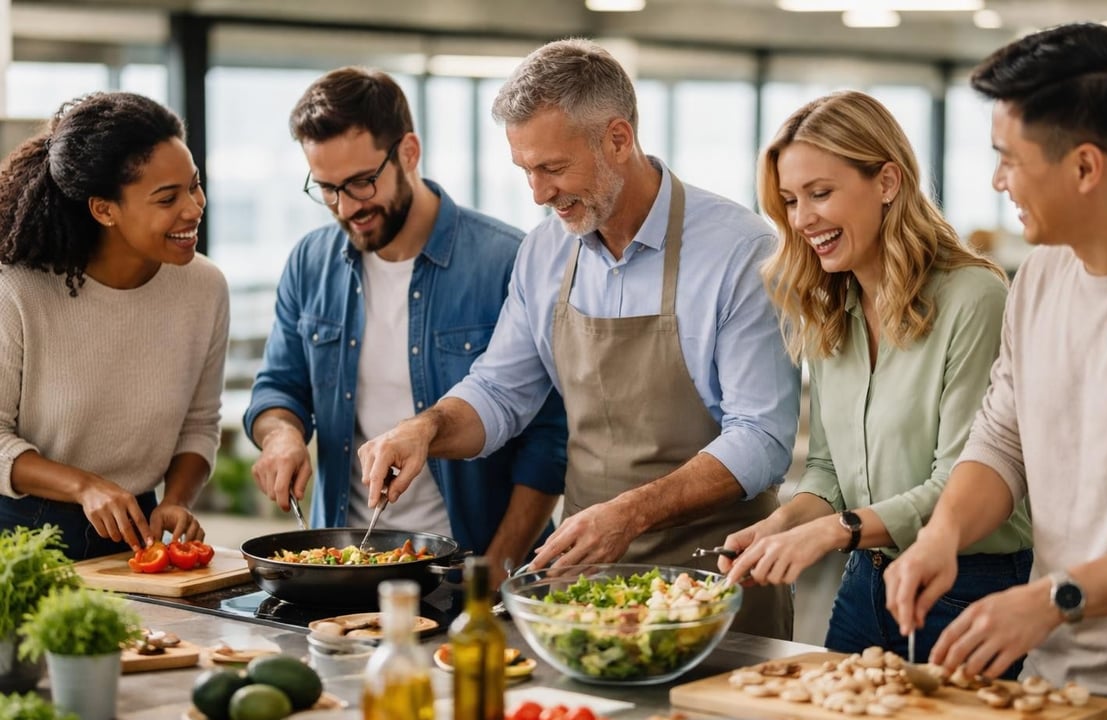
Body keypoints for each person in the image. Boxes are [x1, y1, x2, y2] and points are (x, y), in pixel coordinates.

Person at [358, 40, 801, 639]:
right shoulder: (545, 250)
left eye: (553, 168)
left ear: (618, 139)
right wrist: (427, 429)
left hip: (718, 579)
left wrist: (632, 512)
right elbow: (499, 391)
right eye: (525, 170)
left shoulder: (739, 250)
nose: (538, 194)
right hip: (587, 582)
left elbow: (764, 437)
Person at [884, 23, 1107, 709]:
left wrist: (1056, 598)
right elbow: (1002, 440)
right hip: (1053, 687)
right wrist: (942, 534)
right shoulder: (1040, 277)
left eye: (1009, 159)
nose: (997, 181)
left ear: (1085, 167)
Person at [718, 91, 1032, 665]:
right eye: (790, 200)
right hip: (866, 583)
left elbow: (967, 478)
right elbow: (830, 470)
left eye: (821, 193)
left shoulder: (973, 298)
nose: (802, 219)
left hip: (968, 588)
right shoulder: (830, 305)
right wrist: (784, 525)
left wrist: (833, 532)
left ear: (887, 182)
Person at [244, 67, 567, 585]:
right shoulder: (310, 262)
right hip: (345, 568)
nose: (347, 207)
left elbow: (550, 439)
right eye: (327, 190)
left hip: (472, 568)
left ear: (409, 153)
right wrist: (281, 435)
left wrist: (497, 566)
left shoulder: (508, 261)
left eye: (361, 182)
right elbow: (278, 387)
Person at [0, 92, 228, 560]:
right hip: (17, 536)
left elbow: (199, 424)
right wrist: (84, 486)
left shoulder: (205, 287)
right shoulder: (18, 290)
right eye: (167, 198)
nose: (192, 208)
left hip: (134, 532)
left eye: (194, 185)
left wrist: (176, 500)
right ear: (104, 209)